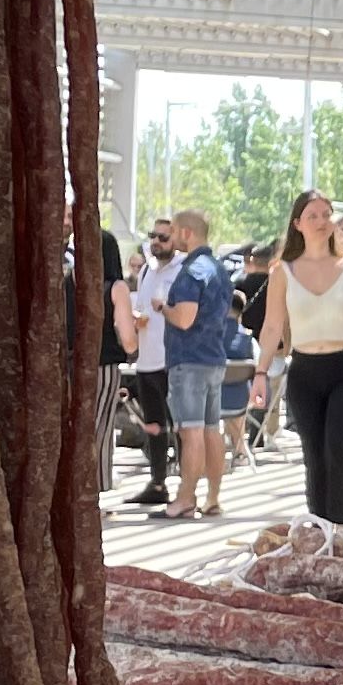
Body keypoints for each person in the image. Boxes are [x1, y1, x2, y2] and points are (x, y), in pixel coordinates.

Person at [259, 189, 343, 526]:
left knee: (337, 448)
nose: (322, 221)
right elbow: (272, 325)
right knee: (313, 454)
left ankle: (341, 528)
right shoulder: (283, 271)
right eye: (313, 216)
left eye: (327, 214)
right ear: (298, 224)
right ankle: (319, 526)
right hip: (305, 371)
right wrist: (260, 373)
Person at [149, 209, 237, 523]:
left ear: (186, 233)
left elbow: (184, 319)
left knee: (192, 431)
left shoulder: (191, 273)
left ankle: (185, 498)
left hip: (189, 360)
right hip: (214, 358)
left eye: (172, 232)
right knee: (212, 429)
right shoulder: (219, 269)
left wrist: (163, 308)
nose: (168, 239)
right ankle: (213, 497)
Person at [118, 219, 180, 507]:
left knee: (180, 424)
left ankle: (186, 487)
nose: (156, 242)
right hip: (147, 360)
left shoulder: (183, 270)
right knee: (153, 425)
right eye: (153, 236)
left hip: (172, 360)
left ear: (177, 238)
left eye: (163, 237)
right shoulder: (145, 270)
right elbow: (141, 310)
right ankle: (158, 482)